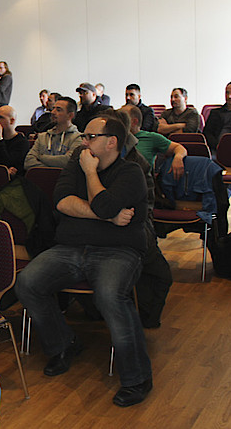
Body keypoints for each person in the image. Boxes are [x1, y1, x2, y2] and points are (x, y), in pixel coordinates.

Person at [15, 116, 153, 407]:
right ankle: (64, 345)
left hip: (118, 251)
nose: (84, 142)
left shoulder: (131, 172)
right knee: (28, 282)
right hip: (71, 247)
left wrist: (91, 174)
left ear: (111, 142)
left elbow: (102, 203)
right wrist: (108, 217)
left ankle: (137, 377)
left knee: (109, 295)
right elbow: (62, 201)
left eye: (91, 136)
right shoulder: (76, 162)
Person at [119, 104, 187, 178]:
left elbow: (179, 148)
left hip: (142, 180)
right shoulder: (115, 139)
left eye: (122, 118)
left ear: (134, 122)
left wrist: (178, 158)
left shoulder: (151, 137)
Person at [25, 97, 82, 170]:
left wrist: (41, 157)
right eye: (53, 108)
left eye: (58, 110)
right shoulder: (43, 137)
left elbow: (68, 162)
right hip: (40, 176)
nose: (53, 112)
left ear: (70, 115)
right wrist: (50, 170)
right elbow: (28, 162)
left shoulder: (78, 138)